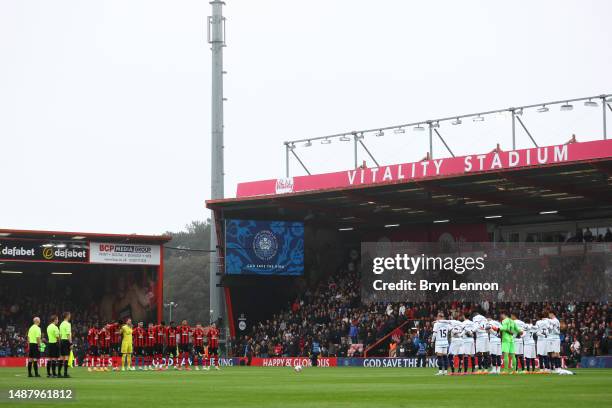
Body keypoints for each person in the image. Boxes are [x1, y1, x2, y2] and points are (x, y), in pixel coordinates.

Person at [59, 312, 72, 378]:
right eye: (69, 315)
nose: (70, 316)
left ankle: (59, 373)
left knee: (61, 357)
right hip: (66, 341)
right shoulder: (68, 324)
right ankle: (65, 373)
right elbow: (68, 334)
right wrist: (70, 343)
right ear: (67, 316)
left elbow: (60, 335)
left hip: (62, 341)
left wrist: (60, 342)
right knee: (66, 357)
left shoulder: (61, 324)